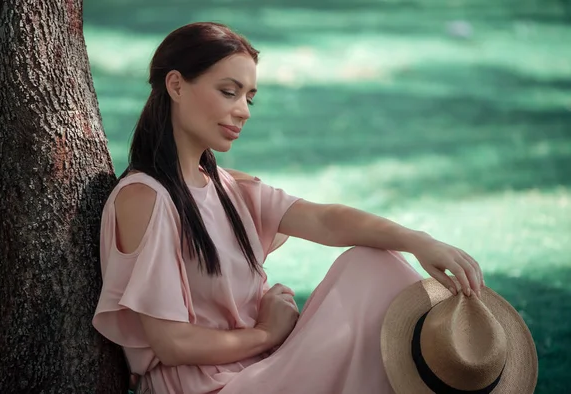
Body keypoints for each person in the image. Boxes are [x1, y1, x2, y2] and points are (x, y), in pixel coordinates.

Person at [92, 22, 484, 394]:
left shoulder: (232, 189)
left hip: (265, 369)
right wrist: (267, 333)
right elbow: (174, 344)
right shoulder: (144, 197)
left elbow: (326, 220)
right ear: (176, 85)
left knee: (373, 264)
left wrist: (418, 241)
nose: (244, 110)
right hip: (211, 387)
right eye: (229, 92)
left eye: (249, 97)